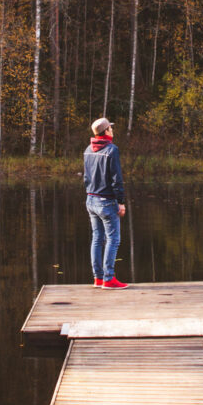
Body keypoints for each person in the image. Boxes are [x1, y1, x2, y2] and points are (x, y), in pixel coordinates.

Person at [83, 117, 128, 288]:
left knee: (97, 238)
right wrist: (121, 202)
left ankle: (98, 278)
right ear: (106, 131)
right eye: (110, 128)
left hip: (91, 199)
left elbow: (86, 178)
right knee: (113, 239)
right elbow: (117, 179)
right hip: (107, 201)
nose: (112, 130)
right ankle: (108, 279)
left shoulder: (88, 150)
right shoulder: (112, 150)